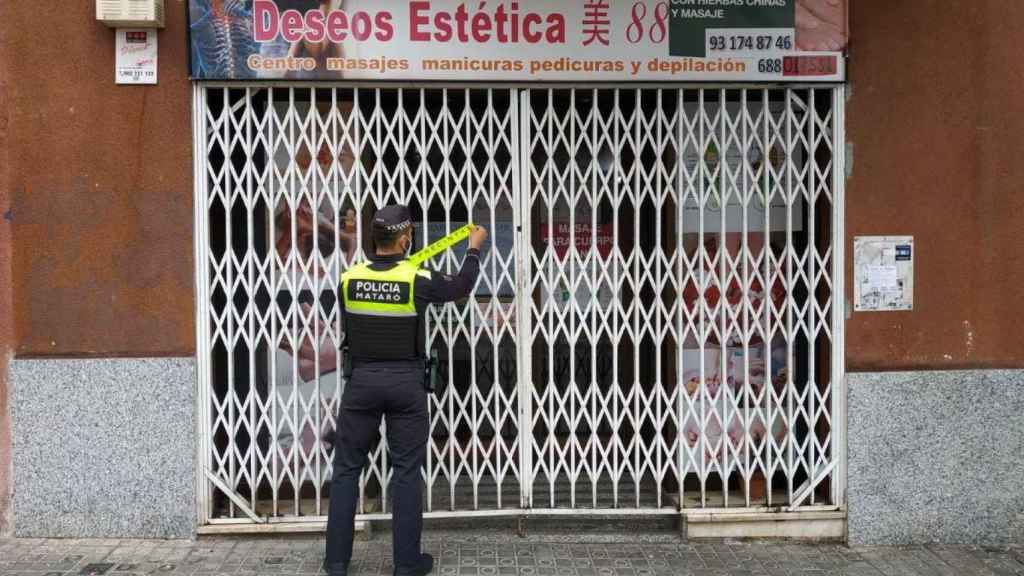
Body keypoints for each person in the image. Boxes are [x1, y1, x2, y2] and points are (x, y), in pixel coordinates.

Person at [325, 205, 488, 576]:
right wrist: (474, 247)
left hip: (362, 383)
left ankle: (336, 562)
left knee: (347, 470)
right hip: (405, 385)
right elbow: (461, 287)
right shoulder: (417, 276)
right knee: (406, 472)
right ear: (405, 239)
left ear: (374, 239)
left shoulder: (349, 278)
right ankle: (406, 565)